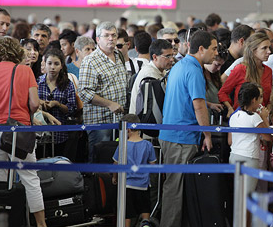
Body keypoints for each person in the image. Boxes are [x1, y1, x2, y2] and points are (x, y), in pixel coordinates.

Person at [0, 37, 61, 227]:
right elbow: (34, 104)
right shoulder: (24, 71)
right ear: (16, 52)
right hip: (17, 131)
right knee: (30, 178)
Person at [158, 30, 216, 227]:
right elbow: (198, 104)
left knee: (177, 185)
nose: (216, 53)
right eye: (214, 48)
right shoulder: (193, 70)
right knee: (175, 187)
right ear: (201, 49)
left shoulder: (180, 66)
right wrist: (207, 134)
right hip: (181, 136)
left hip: (174, 133)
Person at [228, 82, 272, 227]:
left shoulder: (234, 116)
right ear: (253, 100)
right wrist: (265, 117)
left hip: (234, 158)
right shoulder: (254, 118)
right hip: (249, 160)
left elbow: (230, 141)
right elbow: (268, 137)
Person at [79, 22, 128, 162]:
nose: (111, 39)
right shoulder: (90, 61)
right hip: (100, 121)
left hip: (118, 119)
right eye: (106, 35)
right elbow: (84, 92)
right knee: (99, 161)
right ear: (98, 39)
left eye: (114, 35)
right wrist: (109, 104)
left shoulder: (119, 56)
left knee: (116, 159)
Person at [112, 114, 157, 227]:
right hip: (143, 184)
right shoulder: (147, 145)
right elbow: (153, 165)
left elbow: (116, 163)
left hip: (127, 184)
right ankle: (146, 224)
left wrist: (115, 177)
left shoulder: (123, 145)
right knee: (144, 208)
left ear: (128, 129)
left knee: (127, 210)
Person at [38, 48, 78, 159]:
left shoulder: (67, 84)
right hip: (40, 132)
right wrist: (41, 104)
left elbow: (72, 109)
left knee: (58, 162)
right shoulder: (37, 82)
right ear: (44, 64)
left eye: (56, 64)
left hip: (60, 133)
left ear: (61, 66)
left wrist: (57, 104)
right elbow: (31, 103)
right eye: (49, 63)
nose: (52, 67)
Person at [219, 33, 273, 116]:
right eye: (264, 48)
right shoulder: (240, 69)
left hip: (262, 119)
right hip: (243, 118)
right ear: (253, 50)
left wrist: (268, 112)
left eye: (269, 47)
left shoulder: (268, 71)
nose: (269, 51)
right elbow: (222, 92)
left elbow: (268, 98)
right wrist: (230, 108)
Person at [128, 39, 174, 115]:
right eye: (168, 56)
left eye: (172, 55)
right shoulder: (149, 76)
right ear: (155, 57)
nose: (172, 59)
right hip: (142, 122)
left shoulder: (162, 70)